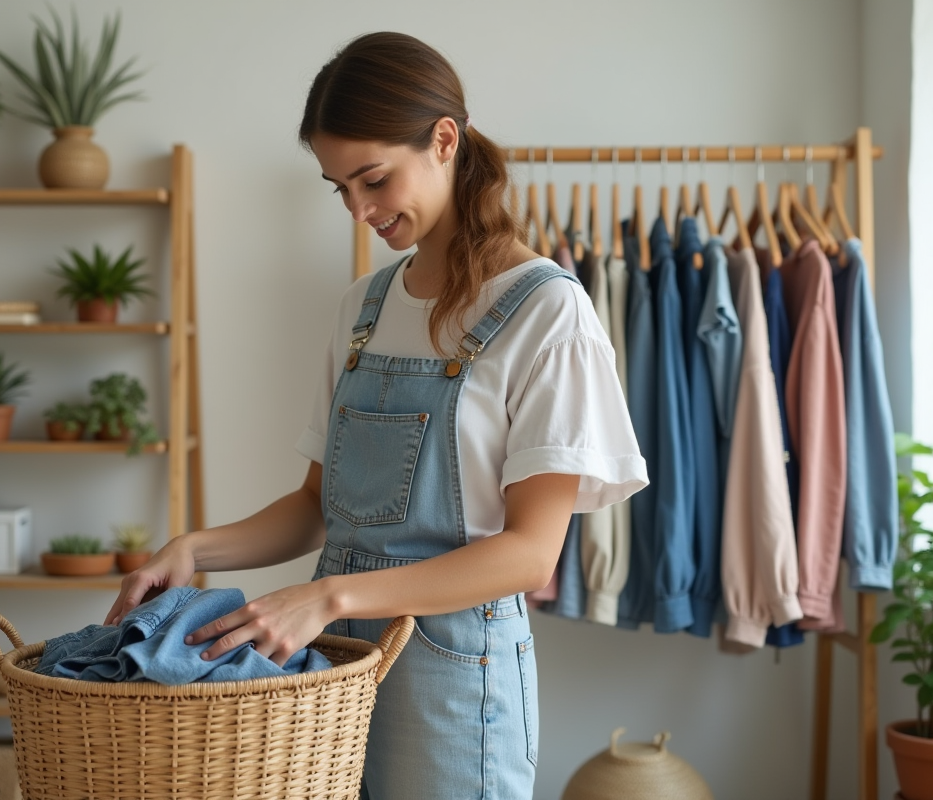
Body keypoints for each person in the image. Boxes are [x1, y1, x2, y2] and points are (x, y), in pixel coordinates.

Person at [105, 31, 647, 799]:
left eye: (373, 179)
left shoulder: (547, 313)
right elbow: (312, 510)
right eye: (339, 188)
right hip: (330, 666)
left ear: (445, 141)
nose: (359, 209)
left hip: (459, 681)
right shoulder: (364, 308)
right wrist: (195, 548)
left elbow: (530, 555)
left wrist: (328, 595)